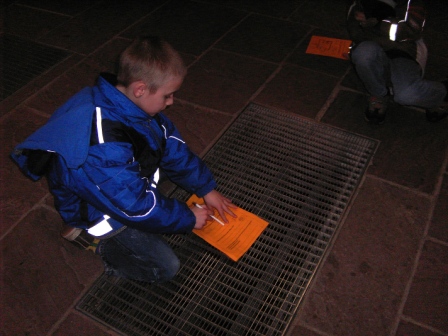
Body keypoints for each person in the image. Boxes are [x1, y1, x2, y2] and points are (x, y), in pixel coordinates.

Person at [11, 36, 236, 283]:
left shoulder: (132, 105)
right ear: (140, 89)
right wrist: (188, 218)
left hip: (119, 183)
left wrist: (205, 187)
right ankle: (95, 243)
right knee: (165, 267)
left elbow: (171, 145)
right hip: (99, 210)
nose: (171, 103)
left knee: (158, 179)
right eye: (168, 96)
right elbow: (135, 205)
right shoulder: (102, 146)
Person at [347, 0, 448, 124]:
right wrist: (390, 25)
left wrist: (376, 21)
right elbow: (356, 32)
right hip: (377, 47)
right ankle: (378, 95)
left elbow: (412, 29)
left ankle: (441, 94)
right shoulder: (359, 3)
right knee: (363, 53)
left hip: (406, 52)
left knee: (406, 95)